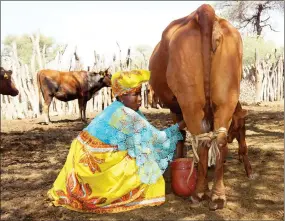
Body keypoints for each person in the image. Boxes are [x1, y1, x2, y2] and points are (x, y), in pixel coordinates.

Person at [47, 69, 186, 213]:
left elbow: (143, 133)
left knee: (139, 146)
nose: (140, 99)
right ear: (121, 96)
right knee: (146, 163)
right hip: (92, 164)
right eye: (135, 94)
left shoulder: (117, 107)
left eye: (140, 93)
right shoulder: (125, 114)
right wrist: (184, 122)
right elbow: (157, 138)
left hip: (81, 156)